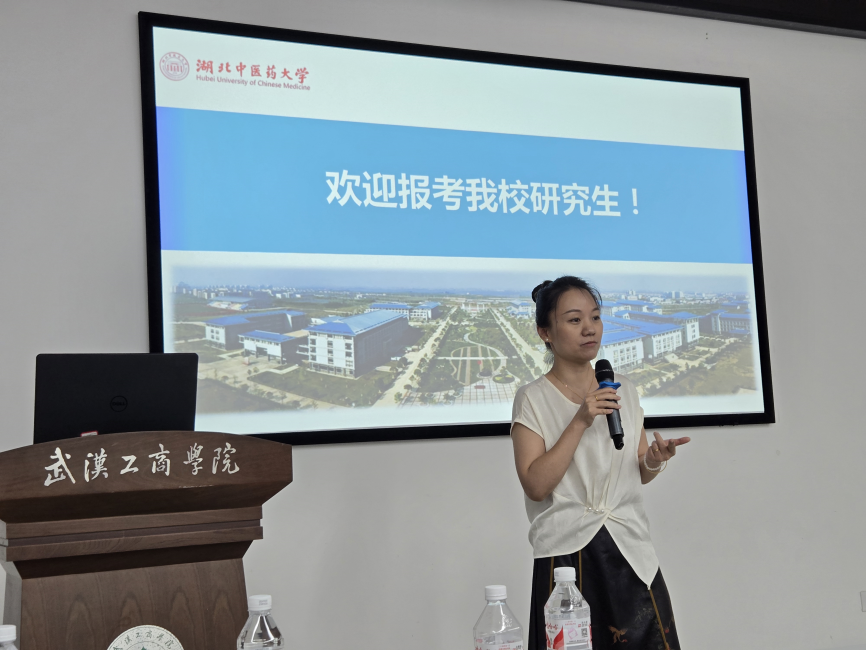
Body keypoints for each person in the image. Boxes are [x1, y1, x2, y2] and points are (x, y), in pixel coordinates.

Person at [511, 276, 690, 650]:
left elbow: (638, 469)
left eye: (594, 317)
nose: (589, 328)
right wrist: (579, 420)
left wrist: (654, 460)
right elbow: (536, 486)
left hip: (629, 545)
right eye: (574, 320)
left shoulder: (623, 388)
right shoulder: (532, 398)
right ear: (545, 332)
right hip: (567, 555)